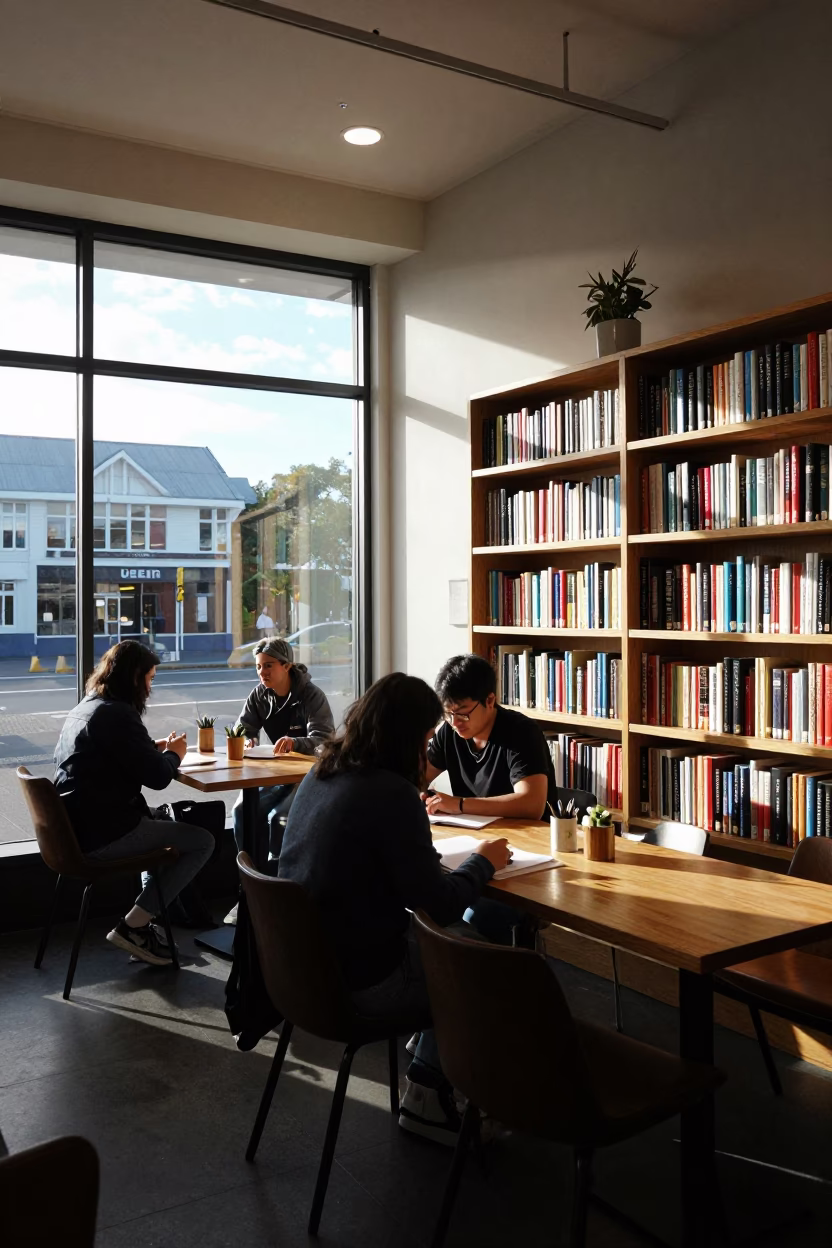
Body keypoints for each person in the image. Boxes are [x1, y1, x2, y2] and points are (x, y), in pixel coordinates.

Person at [277, 672, 511, 1144]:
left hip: (302, 973)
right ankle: (427, 1093)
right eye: (426, 739)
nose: (428, 753)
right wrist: (481, 864)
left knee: (463, 947)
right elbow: (438, 904)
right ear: (406, 737)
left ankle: (431, 1046)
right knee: (492, 969)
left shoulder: (322, 772)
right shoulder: (390, 793)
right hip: (360, 984)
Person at [53, 640, 215, 967]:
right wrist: (174, 754)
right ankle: (135, 925)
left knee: (161, 821)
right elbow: (157, 777)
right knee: (201, 841)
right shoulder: (118, 715)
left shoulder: (87, 707)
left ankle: (144, 927)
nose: (151, 688)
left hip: (75, 831)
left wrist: (150, 748)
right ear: (135, 677)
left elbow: (108, 757)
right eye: (150, 679)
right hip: (105, 834)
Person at [424, 653, 558, 945]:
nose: (455, 722)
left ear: (490, 700)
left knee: (474, 918)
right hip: (476, 845)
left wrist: (458, 804)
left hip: (527, 854)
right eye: (448, 714)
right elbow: (417, 776)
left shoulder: (520, 733)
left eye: (462, 713)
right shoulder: (450, 731)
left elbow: (531, 805)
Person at [225, 637, 334, 910]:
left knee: (278, 818)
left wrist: (296, 743)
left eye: (269, 666)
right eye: (259, 667)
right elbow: (243, 727)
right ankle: (250, 886)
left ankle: (279, 891)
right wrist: (248, 738)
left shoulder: (311, 695)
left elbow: (324, 739)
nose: (263, 673)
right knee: (241, 812)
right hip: (274, 773)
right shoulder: (260, 694)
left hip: (307, 775)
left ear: (287, 666)